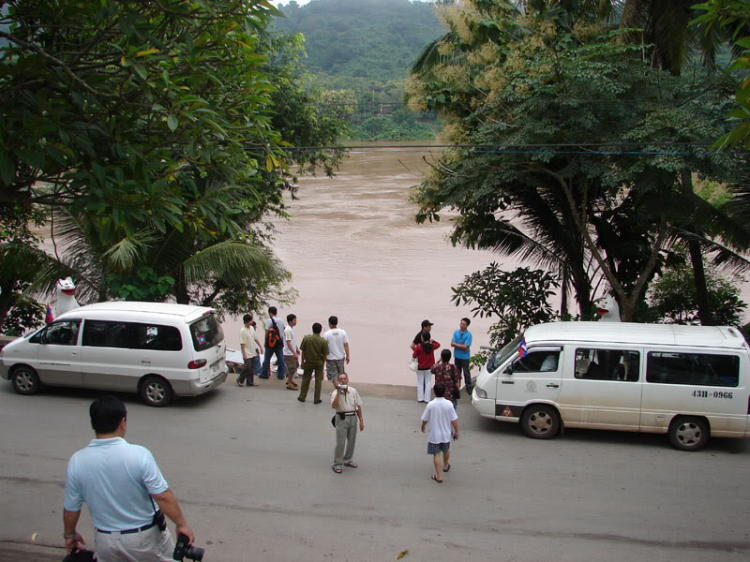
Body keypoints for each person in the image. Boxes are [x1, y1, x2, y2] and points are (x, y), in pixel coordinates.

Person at [63, 396, 195, 561]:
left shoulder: (77, 461)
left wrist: (69, 535)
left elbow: (71, 509)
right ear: (123, 422)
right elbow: (162, 496)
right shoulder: (139, 455)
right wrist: (181, 524)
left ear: (92, 424)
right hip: (144, 538)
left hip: (105, 540)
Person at [420, 383, 458, 484]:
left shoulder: (431, 405)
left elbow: (425, 418)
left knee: (436, 454)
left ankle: (439, 476)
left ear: (434, 392)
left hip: (434, 434)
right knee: (446, 450)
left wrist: (423, 425)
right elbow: (454, 419)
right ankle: (445, 465)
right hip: (446, 433)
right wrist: (456, 431)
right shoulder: (449, 404)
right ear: (444, 392)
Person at [331, 372, 364, 474]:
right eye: (340, 379)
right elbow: (334, 405)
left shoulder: (353, 391)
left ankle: (347, 459)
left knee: (351, 441)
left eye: (344, 379)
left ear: (348, 380)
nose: (343, 381)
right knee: (340, 442)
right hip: (341, 418)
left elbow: (358, 406)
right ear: (338, 381)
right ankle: (337, 463)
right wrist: (338, 391)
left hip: (353, 417)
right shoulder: (334, 393)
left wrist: (361, 419)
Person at [298, 322, 329, 404]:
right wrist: (323, 363)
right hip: (319, 362)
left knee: (306, 379)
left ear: (312, 329)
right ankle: (316, 399)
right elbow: (325, 354)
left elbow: (303, 351)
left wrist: (302, 361)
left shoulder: (306, 338)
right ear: (320, 330)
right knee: (318, 380)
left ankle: (302, 396)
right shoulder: (323, 341)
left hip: (308, 361)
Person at [412, 330, 439, 403]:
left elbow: (414, 355)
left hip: (420, 367)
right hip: (429, 367)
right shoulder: (432, 346)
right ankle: (427, 399)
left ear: (423, 338)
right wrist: (432, 341)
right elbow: (438, 344)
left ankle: (420, 398)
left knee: (420, 382)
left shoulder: (419, 346)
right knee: (428, 382)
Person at [323, 316, 350, 389]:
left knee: (333, 376)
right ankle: (341, 389)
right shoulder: (343, 332)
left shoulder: (326, 334)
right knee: (341, 375)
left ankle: (338, 390)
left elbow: (324, 348)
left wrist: (324, 358)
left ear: (329, 323)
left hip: (330, 358)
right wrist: (348, 356)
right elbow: (346, 345)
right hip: (340, 357)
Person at [260, 306, 286, 380]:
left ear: (270, 313)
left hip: (271, 342)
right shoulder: (281, 320)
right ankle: (281, 374)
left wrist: (265, 341)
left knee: (267, 358)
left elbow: (267, 331)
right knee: (281, 358)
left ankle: (264, 373)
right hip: (279, 342)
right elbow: (282, 331)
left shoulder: (269, 320)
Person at [237, 313, 262, 387]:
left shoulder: (251, 328)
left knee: (252, 367)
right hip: (246, 351)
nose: (252, 322)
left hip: (252, 350)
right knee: (247, 366)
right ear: (247, 321)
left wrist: (260, 346)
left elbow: (255, 338)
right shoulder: (242, 331)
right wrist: (244, 353)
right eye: (251, 320)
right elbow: (242, 343)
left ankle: (250, 381)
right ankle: (240, 379)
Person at [451, 317, 473, 394]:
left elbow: (465, 346)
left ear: (467, 326)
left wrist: (456, 345)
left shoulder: (468, 335)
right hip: (457, 356)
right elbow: (451, 343)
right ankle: (457, 387)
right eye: (461, 323)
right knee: (457, 372)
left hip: (465, 357)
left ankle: (468, 387)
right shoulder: (456, 332)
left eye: (464, 324)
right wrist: (461, 346)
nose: (461, 325)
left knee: (466, 372)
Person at [283, 313, 300, 390]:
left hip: (292, 351)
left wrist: (296, 348)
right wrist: (294, 353)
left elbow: (292, 341)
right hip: (288, 353)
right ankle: (289, 383)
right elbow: (288, 342)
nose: (295, 322)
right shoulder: (287, 330)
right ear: (290, 321)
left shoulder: (291, 329)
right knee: (292, 368)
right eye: (294, 320)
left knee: (296, 365)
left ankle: (290, 380)